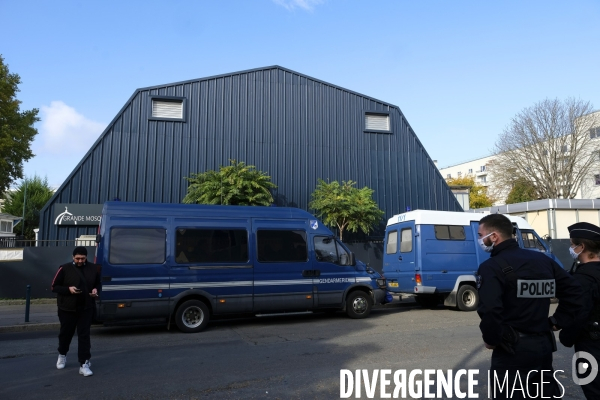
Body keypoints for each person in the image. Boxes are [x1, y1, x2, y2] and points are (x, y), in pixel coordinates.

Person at [476, 214, 583, 399]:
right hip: (542, 345)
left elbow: (491, 310)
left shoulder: (491, 267)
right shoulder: (543, 261)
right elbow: (574, 291)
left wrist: (492, 339)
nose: (480, 240)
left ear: (494, 236)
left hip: (512, 349)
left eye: (481, 235)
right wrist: (558, 321)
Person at [559, 222, 600, 398]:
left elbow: (577, 314)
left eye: (572, 245)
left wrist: (564, 336)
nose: (571, 249)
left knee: (593, 391)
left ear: (581, 247)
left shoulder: (583, 278)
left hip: (591, 344)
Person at [51, 246, 101, 377]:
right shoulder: (64, 268)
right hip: (67, 308)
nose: (80, 261)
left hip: (86, 307)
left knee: (84, 336)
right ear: (73, 257)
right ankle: (62, 354)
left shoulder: (93, 268)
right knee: (65, 334)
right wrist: (69, 290)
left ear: (86, 258)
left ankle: (84, 363)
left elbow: (98, 284)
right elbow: (54, 286)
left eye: (82, 258)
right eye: (77, 258)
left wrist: (95, 291)